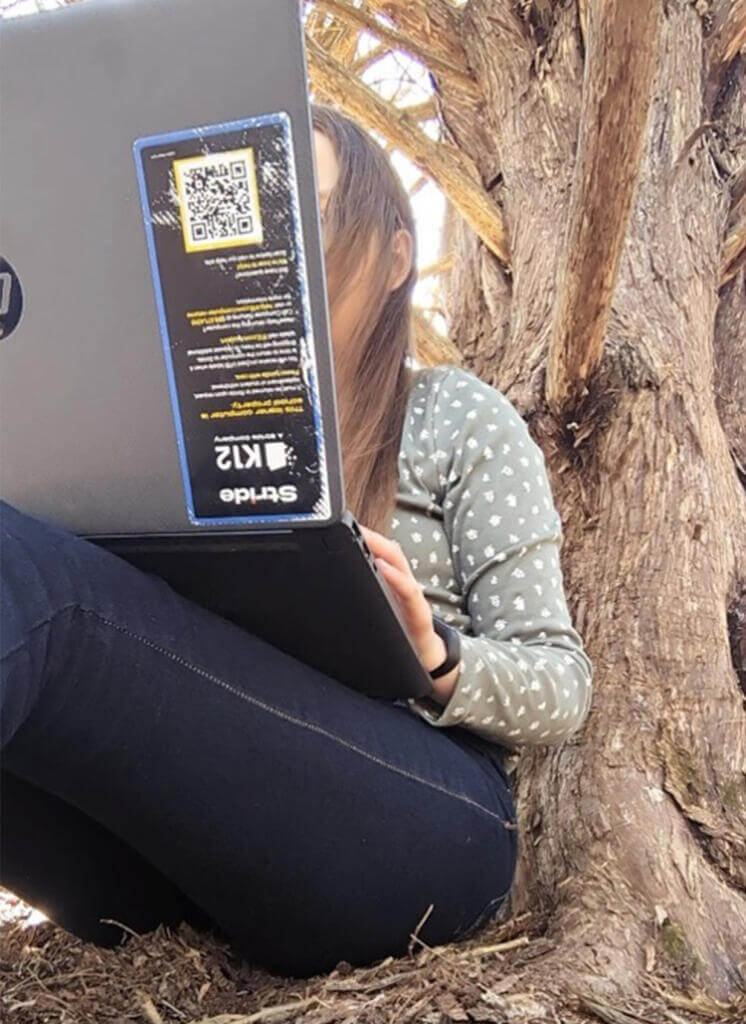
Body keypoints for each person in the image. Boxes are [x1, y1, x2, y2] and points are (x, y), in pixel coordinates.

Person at [0, 103, 593, 978]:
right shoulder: (170, 431)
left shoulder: (454, 416)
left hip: (420, 828)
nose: (272, 247)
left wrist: (434, 653)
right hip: (179, 859)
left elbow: (563, 684)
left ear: (396, 258)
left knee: (48, 603)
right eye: (249, 218)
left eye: (305, 215)